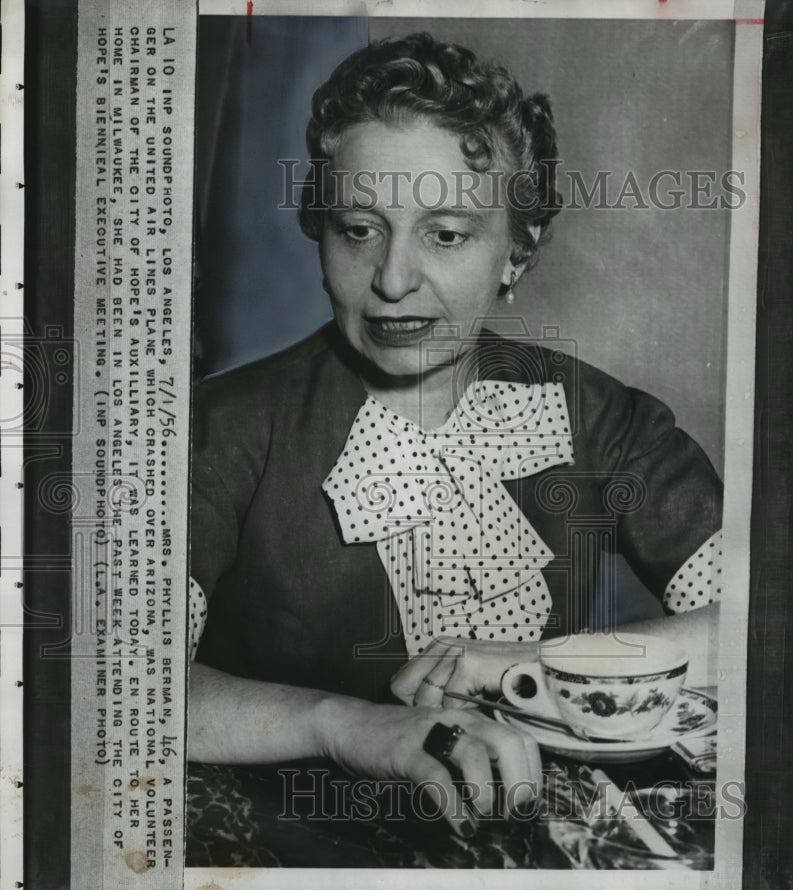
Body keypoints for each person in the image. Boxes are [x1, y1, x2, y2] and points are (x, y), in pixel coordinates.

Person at [187, 33, 722, 840]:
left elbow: (759, 626)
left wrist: (539, 665)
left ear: (519, 248)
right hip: (303, 862)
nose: (394, 280)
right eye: (359, 229)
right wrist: (345, 725)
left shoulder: (601, 418)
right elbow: (108, 686)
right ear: (319, 233)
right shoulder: (216, 431)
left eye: (446, 234)